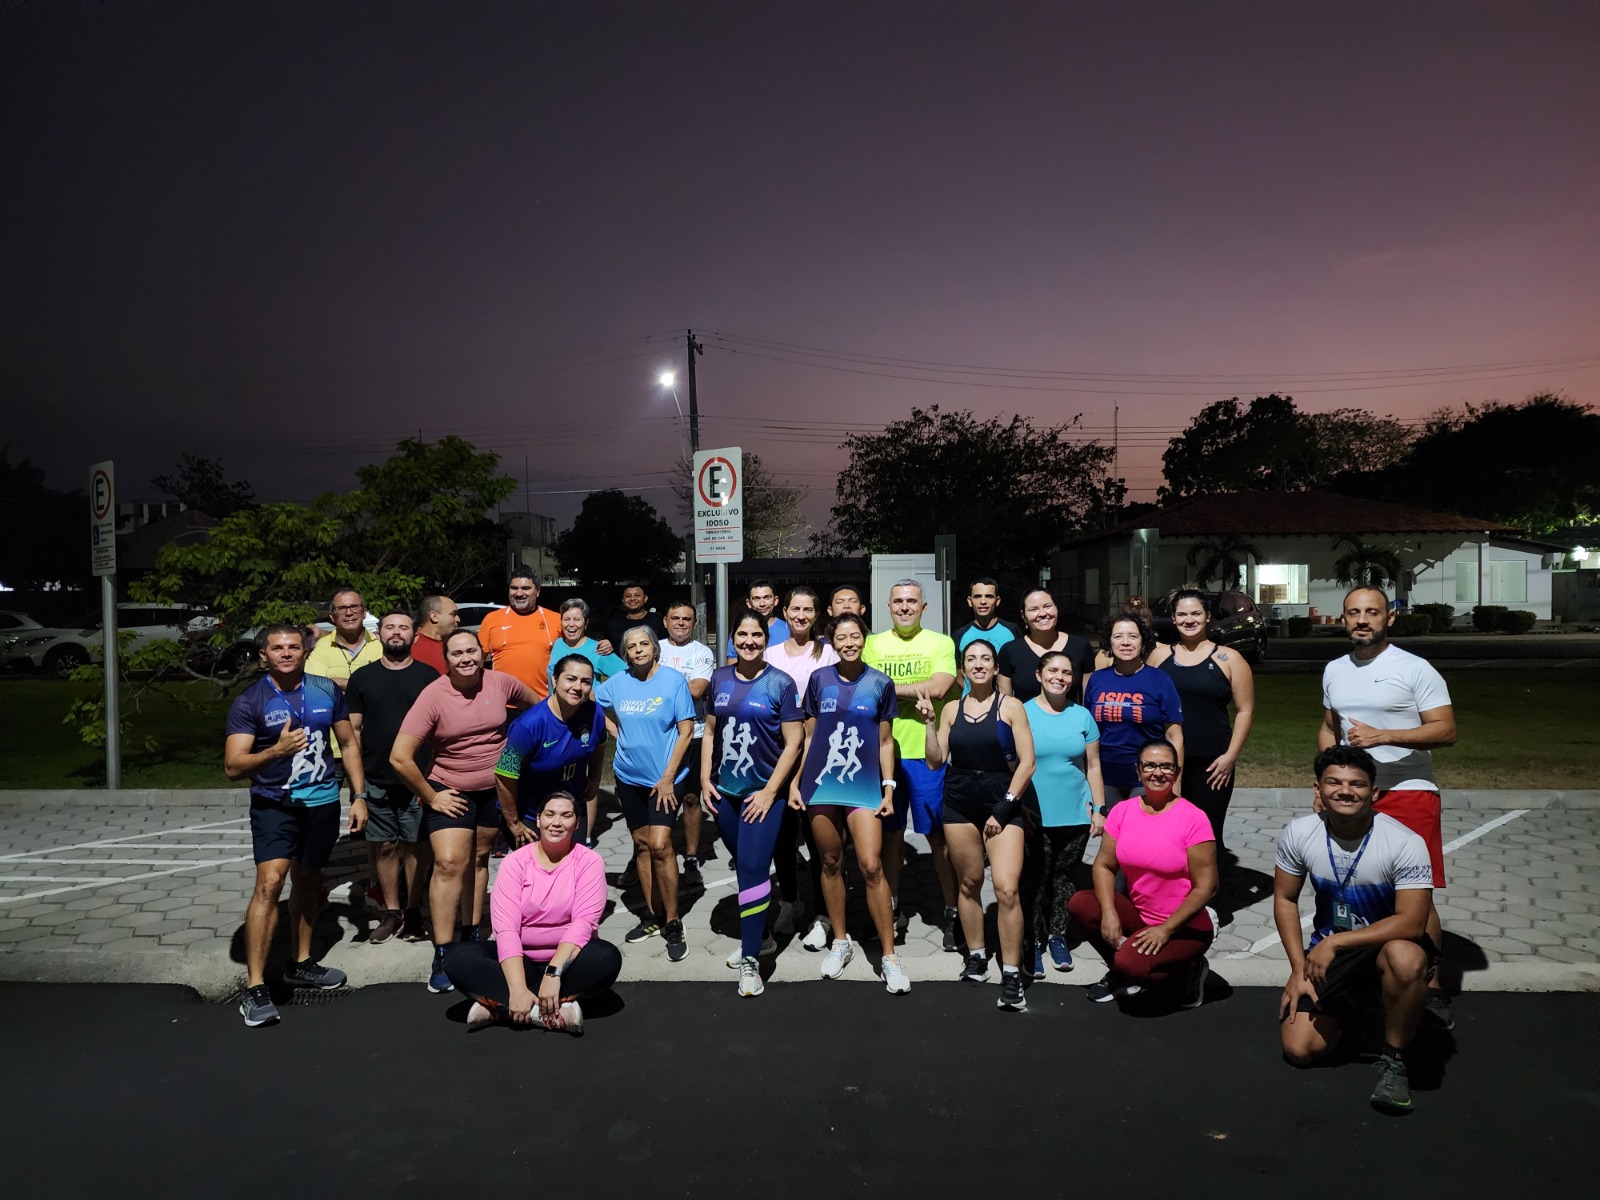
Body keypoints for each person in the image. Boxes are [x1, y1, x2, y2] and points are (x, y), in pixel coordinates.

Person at [1318, 586, 1457, 1030]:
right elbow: (1329, 728)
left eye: (1372, 612)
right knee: (1359, 878)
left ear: (1389, 618)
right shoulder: (1335, 669)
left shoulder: (1414, 668)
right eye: (1354, 613)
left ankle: (1429, 985)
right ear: (1342, 620)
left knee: (1416, 889)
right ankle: (1371, 971)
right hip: (1352, 792)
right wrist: (1321, 779)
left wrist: (1383, 736)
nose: (1363, 620)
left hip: (1408, 790)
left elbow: (1446, 730)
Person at [1275, 747, 1437, 1114]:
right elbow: (1285, 899)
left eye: (1357, 784)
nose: (1345, 791)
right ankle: (1362, 1009)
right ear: (1318, 788)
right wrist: (1298, 969)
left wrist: (1337, 941)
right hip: (1332, 952)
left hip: (1386, 944)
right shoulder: (1299, 833)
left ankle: (1394, 1057)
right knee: (1299, 1050)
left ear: (1374, 792)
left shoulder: (1404, 842)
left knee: (1406, 958)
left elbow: (1412, 923)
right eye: (1334, 782)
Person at [224, 624, 367, 1027]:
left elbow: (350, 744)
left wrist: (359, 795)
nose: (286, 653)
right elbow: (233, 766)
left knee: (308, 881)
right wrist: (276, 750)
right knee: (270, 884)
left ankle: (300, 962)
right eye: (277, 648)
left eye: (293, 647)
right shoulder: (250, 700)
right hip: (275, 805)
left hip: (322, 803)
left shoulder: (325, 689)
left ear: (305, 651)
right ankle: (254, 987)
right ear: (263, 656)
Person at [390, 630, 536, 993]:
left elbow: (539, 708)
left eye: (472, 650)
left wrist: (525, 750)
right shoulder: (434, 696)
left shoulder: (500, 682)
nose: (466, 658)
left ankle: (471, 935)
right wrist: (431, 796)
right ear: (447, 659)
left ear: (483, 654)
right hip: (448, 789)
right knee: (449, 863)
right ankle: (444, 949)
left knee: (480, 860)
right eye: (457, 653)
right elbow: (399, 757)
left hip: (495, 789)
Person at [917, 640, 1036, 1011]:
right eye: (972, 660)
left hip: (1002, 800)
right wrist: (931, 724)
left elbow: (1028, 763)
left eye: (986, 659)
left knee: (1005, 888)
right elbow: (935, 761)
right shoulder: (951, 709)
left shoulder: (1011, 706)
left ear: (995, 667)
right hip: (959, 802)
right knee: (968, 883)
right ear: (962, 671)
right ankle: (978, 956)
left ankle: (1012, 972)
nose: (979, 665)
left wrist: (1003, 809)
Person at [444, 790, 621, 1035]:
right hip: (520, 961)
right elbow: (505, 929)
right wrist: (516, 987)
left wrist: (553, 972)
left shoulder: (589, 862)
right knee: (457, 957)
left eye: (566, 816)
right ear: (538, 820)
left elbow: (583, 924)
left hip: (569, 964)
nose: (556, 822)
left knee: (607, 958)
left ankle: (501, 1007)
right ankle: (545, 1010)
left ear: (577, 823)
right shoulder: (514, 862)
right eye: (549, 814)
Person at [797, 612, 908, 992]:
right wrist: (798, 782)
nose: (849, 643)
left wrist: (889, 787)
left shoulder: (879, 683)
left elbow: (885, 742)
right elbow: (809, 738)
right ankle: (840, 941)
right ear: (832, 642)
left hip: (864, 786)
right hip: (821, 785)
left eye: (855, 636)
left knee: (871, 864)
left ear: (864, 639)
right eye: (841, 637)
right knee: (829, 861)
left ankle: (890, 957)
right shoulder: (819, 680)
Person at [1068, 737, 1216, 1007]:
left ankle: (1189, 970)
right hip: (1140, 916)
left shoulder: (1194, 818)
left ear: (1177, 772)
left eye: (1166, 767)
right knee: (1082, 904)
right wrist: (1110, 912)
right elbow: (1103, 865)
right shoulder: (1123, 811)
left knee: (1134, 967)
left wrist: (1166, 930)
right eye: (1149, 766)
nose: (1158, 773)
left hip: (1184, 927)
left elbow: (1207, 886)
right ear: (1138, 771)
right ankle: (1123, 970)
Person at [702, 611, 805, 997]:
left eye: (756, 634)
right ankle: (761, 937)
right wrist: (703, 778)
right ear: (732, 640)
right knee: (747, 870)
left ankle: (751, 961)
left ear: (766, 639)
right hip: (726, 793)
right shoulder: (720, 679)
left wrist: (769, 792)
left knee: (752, 865)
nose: (749, 641)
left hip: (764, 795)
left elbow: (794, 743)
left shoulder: (780, 683)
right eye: (742, 635)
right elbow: (711, 730)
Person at [862, 579, 959, 948]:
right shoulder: (873, 644)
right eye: (898, 601)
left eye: (912, 601)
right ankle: (891, 908)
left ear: (924, 607)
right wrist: (902, 688)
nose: (905, 607)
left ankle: (952, 912)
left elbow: (938, 687)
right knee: (890, 838)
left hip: (926, 754)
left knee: (938, 838)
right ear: (889, 606)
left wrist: (886, 686)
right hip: (881, 754)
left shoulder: (940, 642)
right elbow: (864, 689)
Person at [595, 625, 695, 961]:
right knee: (640, 844)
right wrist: (614, 730)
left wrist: (668, 778)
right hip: (628, 776)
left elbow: (686, 731)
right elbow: (589, 699)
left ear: (655, 647)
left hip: (665, 779)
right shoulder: (618, 683)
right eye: (632, 646)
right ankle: (651, 917)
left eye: (644, 644)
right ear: (626, 652)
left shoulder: (672, 680)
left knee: (660, 845)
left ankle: (673, 920)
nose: (638, 650)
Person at [345, 610, 438, 944]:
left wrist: (430, 777)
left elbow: (439, 731)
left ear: (414, 634)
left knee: (415, 846)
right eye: (389, 627)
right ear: (379, 633)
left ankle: (414, 911)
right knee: (384, 846)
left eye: (403, 627)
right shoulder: (362, 678)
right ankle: (391, 912)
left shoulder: (429, 676)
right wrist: (356, 782)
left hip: (417, 778)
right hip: (375, 777)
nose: (396, 633)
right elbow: (351, 732)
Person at [1149, 588, 1255, 861]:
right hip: (1166, 763)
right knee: (1167, 833)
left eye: (1196, 613)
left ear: (1208, 616)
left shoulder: (1229, 659)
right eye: (1181, 614)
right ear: (1173, 618)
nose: (1189, 619)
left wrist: (1230, 757)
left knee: (1206, 835)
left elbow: (1245, 710)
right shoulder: (1160, 658)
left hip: (1213, 764)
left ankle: (1212, 898)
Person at [1023, 650, 1104, 975]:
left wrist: (1099, 809)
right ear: (1039, 676)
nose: (1060, 677)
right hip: (1034, 814)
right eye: (1053, 670)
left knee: (1064, 879)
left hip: (1075, 815)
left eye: (1067, 672)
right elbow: (1012, 765)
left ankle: (1057, 935)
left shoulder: (1082, 716)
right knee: (1035, 879)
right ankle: (1032, 941)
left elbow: (1094, 765)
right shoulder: (1022, 713)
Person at [767, 586, 838, 940]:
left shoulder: (828, 654)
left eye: (807, 609)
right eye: (795, 609)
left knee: (817, 837)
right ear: (784, 613)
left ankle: (823, 915)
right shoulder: (770, 655)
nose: (800, 615)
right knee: (782, 837)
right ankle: (790, 903)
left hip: (817, 755)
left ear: (816, 614)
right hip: (777, 756)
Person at [495, 653, 606, 847]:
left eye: (586, 682)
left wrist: (595, 777)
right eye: (570, 679)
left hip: (572, 808)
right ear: (554, 680)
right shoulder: (528, 725)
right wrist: (514, 824)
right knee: (539, 874)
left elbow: (600, 744)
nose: (578, 687)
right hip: (531, 816)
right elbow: (504, 776)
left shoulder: (594, 712)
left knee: (571, 871)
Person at [1084, 614, 1184, 804]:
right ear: (1109, 642)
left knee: (1143, 833)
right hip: (1105, 778)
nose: (1125, 642)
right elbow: (1088, 732)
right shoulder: (1097, 680)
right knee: (1110, 833)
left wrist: (1175, 782)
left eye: (1133, 636)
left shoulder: (1160, 680)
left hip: (1147, 777)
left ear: (1143, 641)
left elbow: (1174, 736)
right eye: (1118, 636)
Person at [658, 601, 715, 881]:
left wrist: (660, 686)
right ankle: (654, 850)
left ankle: (691, 855)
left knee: (692, 799)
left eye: (687, 619)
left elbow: (697, 689)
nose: (681, 623)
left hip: (696, 734)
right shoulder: (654, 648)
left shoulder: (702, 652)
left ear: (694, 624)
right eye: (675, 618)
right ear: (665, 621)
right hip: (661, 736)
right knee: (660, 796)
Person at [476, 566, 562, 700]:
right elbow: (477, 660)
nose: (519, 593)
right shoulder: (492, 619)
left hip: (541, 702)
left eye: (526, 588)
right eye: (514, 588)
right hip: (501, 702)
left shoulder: (555, 620)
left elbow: (577, 650)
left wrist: (604, 645)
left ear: (537, 591)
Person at [997, 588, 1095, 704]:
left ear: (1056, 608)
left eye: (1047, 606)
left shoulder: (1081, 646)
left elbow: (1088, 699)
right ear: (1023, 616)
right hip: (1024, 721)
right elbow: (1005, 704)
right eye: (1034, 609)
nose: (1043, 614)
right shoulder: (1010, 651)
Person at [305, 588, 382, 688]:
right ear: (332, 617)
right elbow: (314, 685)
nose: (349, 613)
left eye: (354, 607)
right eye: (341, 608)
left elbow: (386, 685)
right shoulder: (321, 647)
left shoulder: (380, 645)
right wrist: (364, 686)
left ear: (364, 613)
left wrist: (338, 682)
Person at [549, 598, 627, 690]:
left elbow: (626, 677)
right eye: (566, 619)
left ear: (586, 623)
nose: (571, 624)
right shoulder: (558, 644)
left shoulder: (598, 649)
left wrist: (604, 696)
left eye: (577, 619)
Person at [952, 578, 1023, 657]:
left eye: (989, 596)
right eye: (977, 596)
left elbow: (1020, 663)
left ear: (997, 601)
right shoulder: (960, 635)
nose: (983, 601)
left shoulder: (1012, 630)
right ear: (970, 601)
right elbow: (957, 668)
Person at [725, 579, 790, 662]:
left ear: (775, 600)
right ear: (748, 603)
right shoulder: (739, 631)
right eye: (756, 598)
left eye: (767, 598)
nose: (762, 603)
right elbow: (732, 665)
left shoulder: (788, 631)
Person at [604, 582, 667, 651]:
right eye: (628, 596)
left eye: (637, 595)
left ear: (645, 598)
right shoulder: (613, 623)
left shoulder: (658, 620)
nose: (632, 599)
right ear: (623, 600)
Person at [411, 595, 459, 675]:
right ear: (434, 617)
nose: (458, 619)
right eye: (453, 614)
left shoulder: (456, 645)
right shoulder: (409, 648)